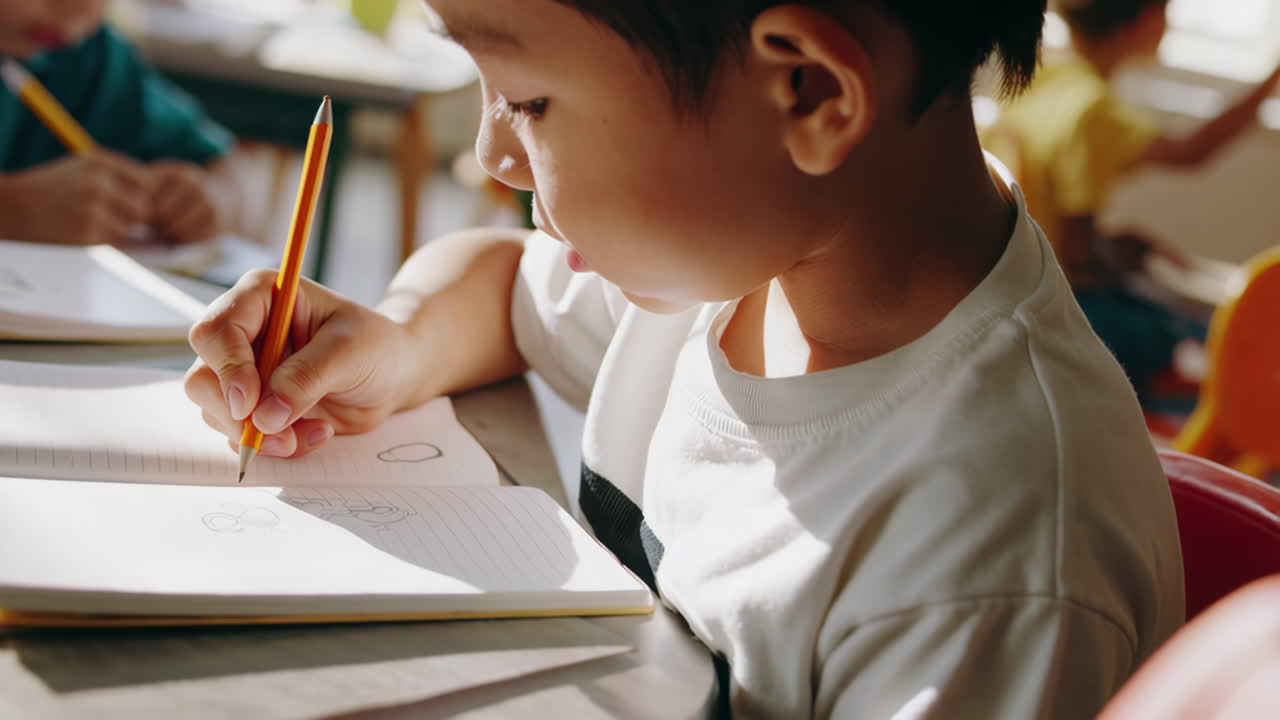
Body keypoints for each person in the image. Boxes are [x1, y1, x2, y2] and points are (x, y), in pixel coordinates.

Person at [185, 1, 1185, 717]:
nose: (490, 155)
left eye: (528, 102)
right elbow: (497, 282)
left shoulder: (989, 568)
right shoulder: (744, 254)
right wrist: (397, 339)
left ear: (806, 92)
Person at [992, 0, 1280, 397]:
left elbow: (1052, 218)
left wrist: (1120, 244)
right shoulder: (1093, 109)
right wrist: (1273, 79)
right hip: (1058, 302)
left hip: (1013, 282)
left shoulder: (1047, 79)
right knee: (1186, 332)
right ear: (1144, 19)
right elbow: (1076, 263)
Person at [0, 0, 238, 247]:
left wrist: (205, 201)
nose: (79, 8)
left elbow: (219, 165)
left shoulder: (85, 54)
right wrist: (9, 211)